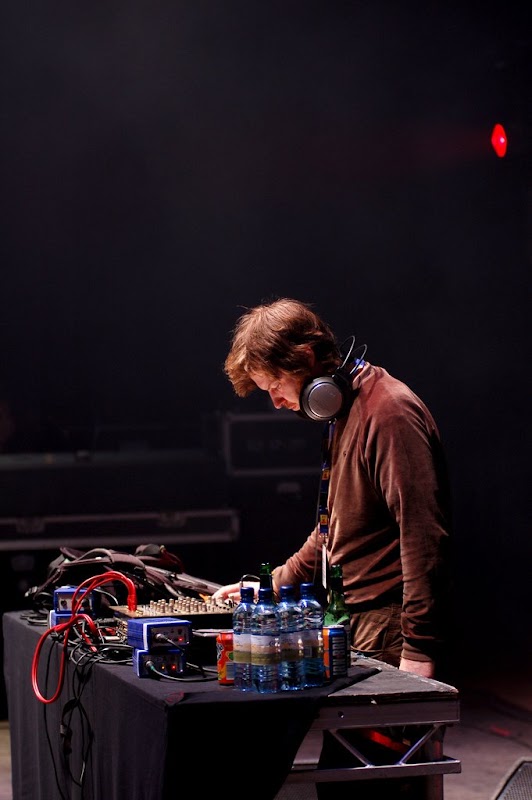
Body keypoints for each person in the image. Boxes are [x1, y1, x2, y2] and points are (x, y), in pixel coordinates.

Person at [212, 297, 453, 684]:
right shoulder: (346, 412)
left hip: (390, 626)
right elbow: (332, 530)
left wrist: (419, 649)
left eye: (276, 385)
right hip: (359, 619)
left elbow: (423, 536)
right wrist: (272, 585)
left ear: (306, 358)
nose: (276, 403)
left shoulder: (389, 413)